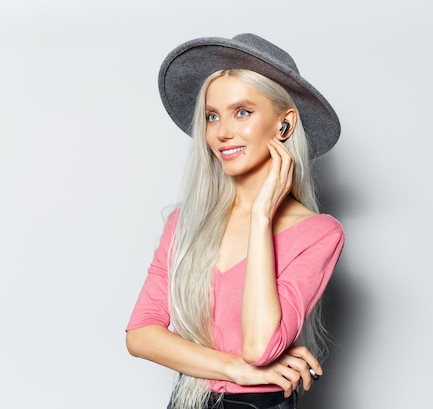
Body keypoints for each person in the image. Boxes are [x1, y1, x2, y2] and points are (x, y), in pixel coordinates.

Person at [125, 33, 345, 409]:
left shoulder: (319, 233)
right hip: (188, 402)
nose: (222, 132)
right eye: (213, 116)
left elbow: (260, 348)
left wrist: (261, 216)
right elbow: (141, 335)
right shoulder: (185, 222)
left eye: (242, 111)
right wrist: (233, 369)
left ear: (283, 126)